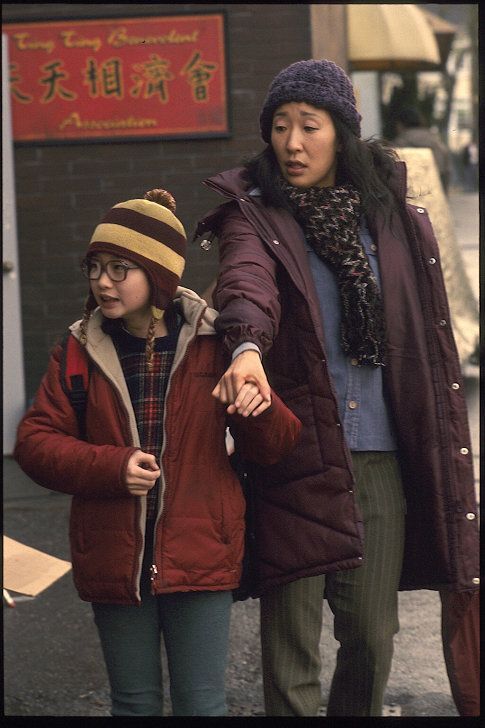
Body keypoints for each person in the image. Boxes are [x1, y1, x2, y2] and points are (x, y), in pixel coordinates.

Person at [194, 60, 480, 717]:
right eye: (279, 126)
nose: (291, 142)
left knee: (372, 636)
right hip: (296, 449)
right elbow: (246, 284)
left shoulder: (398, 226)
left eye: (308, 126)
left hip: (379, 457)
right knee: (290, 646)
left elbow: (428, 340)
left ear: (342, 134)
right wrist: (244, 349)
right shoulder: (256, 218)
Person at [14, 189, 301, 717]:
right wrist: (111, 466)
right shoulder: (78, 348)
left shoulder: (217, 344)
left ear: (160, 277)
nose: (103, 280)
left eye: (120, 268)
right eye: (95, 267)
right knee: (133, 704)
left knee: (202, 703)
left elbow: (277, 445)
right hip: (112, 555)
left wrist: (251, 406)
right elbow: (34, 444)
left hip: (202, 552)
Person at [392, 106, 451, 193]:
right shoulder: (437, 142)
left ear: (400, 124)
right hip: (435, 194)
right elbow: (446, 172)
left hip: (411, 197)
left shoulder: (399, 144)